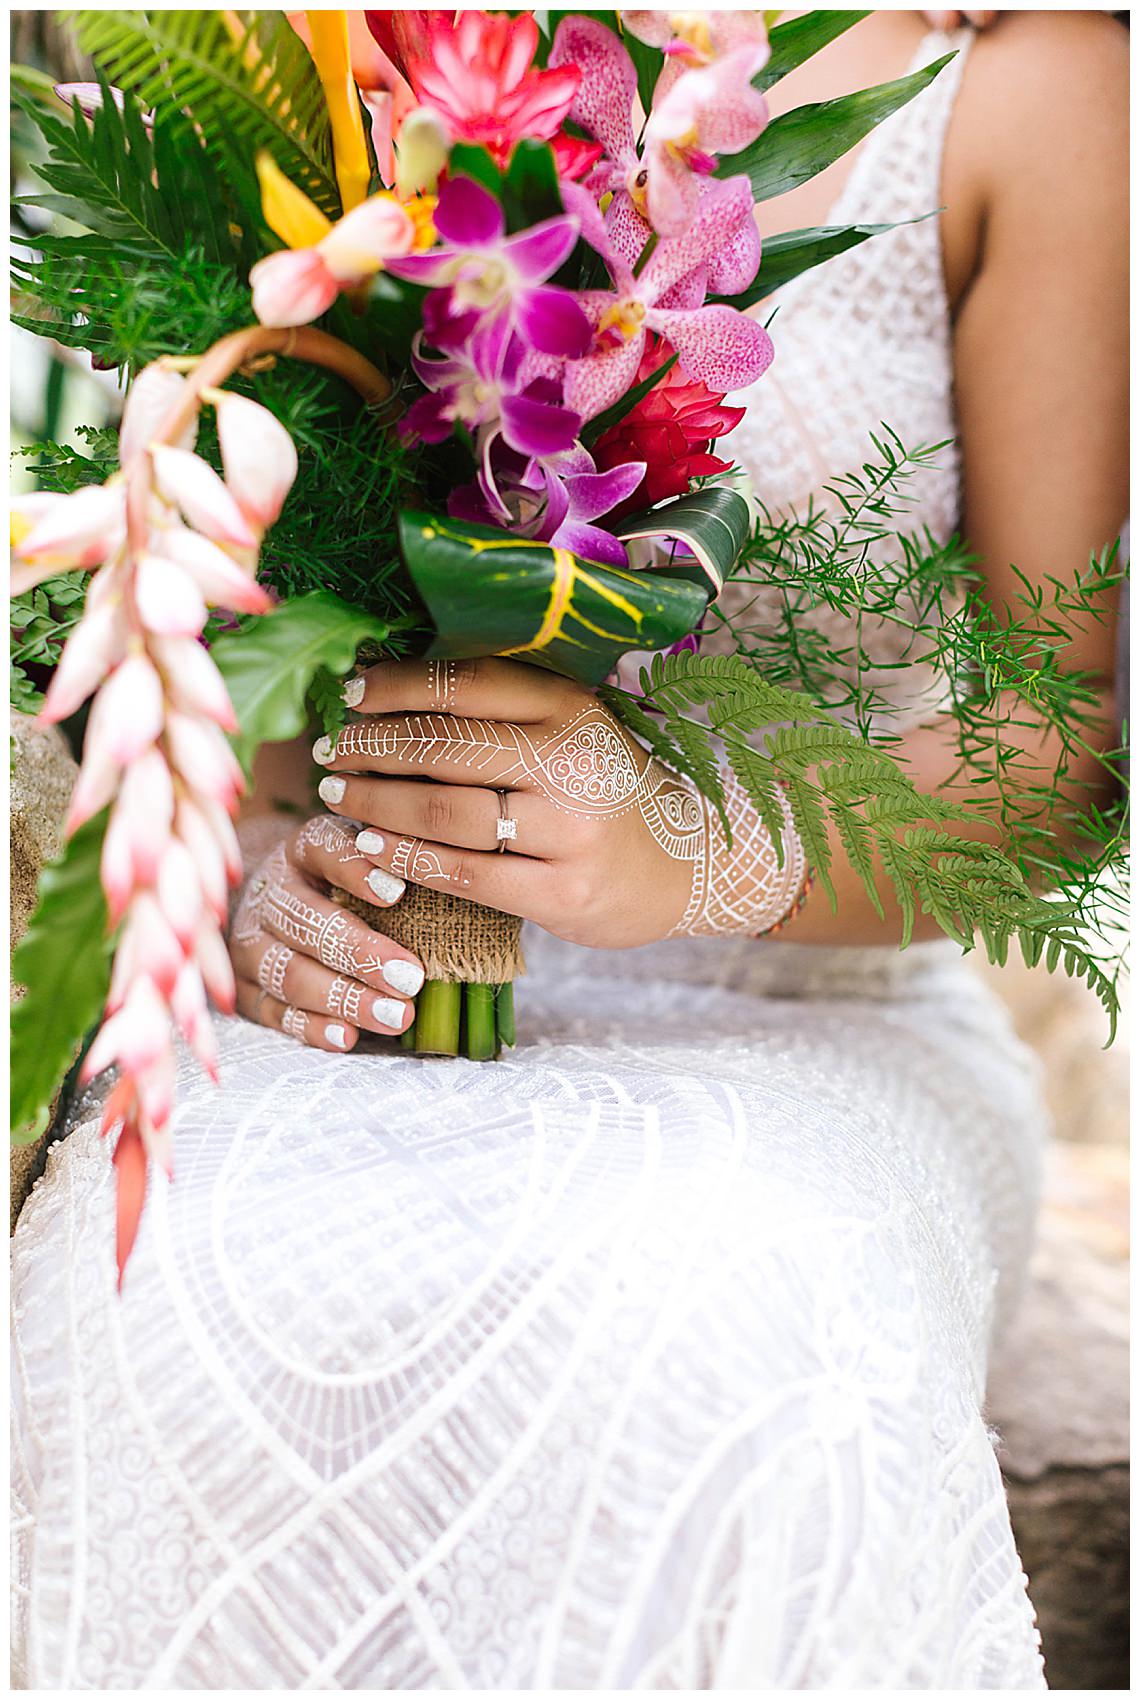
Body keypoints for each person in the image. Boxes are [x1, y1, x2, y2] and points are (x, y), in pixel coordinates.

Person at [11, 11, 1126, 1688]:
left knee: (695, 1300)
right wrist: (249, 879)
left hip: (807, 1011)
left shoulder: (1035, 79)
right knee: (173, 1284)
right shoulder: (338, 48)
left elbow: (1058, 757)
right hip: (376, 1001)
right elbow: (227, 664)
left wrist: (699, 851)